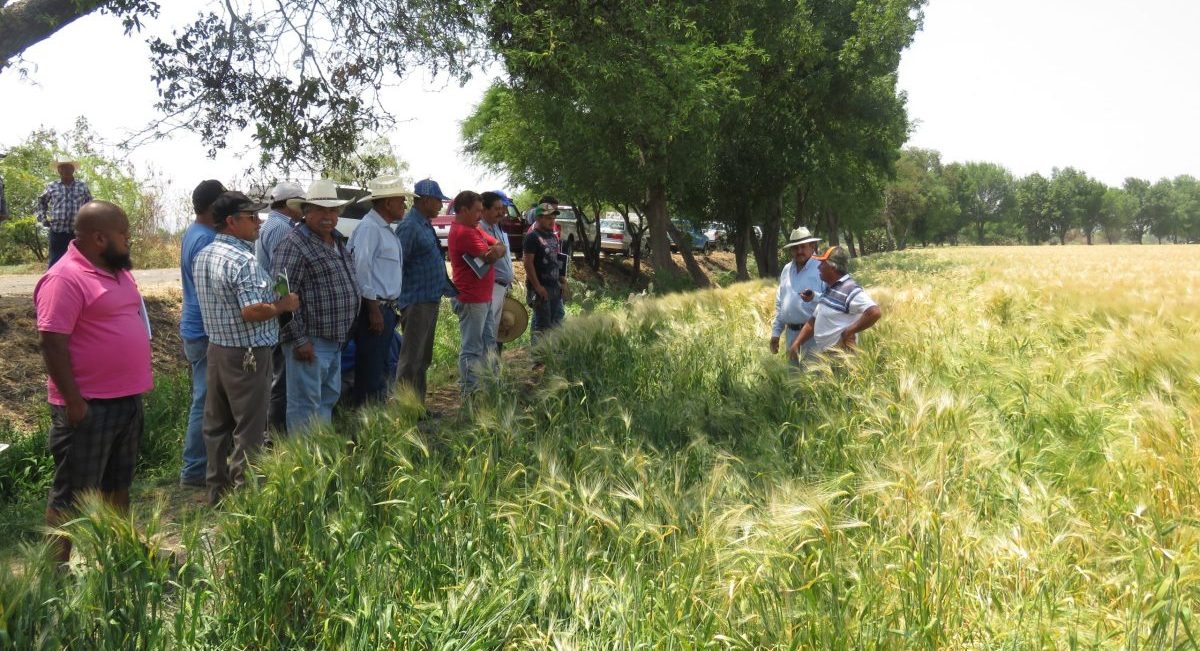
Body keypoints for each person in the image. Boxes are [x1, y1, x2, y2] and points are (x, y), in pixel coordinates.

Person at [33, 200, 152, 563]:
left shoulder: (118, 271)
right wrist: (73, 401)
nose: (129, 240)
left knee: (118, 486)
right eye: (124, 234)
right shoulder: (64, 277)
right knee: (72, 493)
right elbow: (52, 342)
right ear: (100, 238)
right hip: (88, 405)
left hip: (126, 400)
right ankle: (53, 573)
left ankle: (121, 555)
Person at [194, 191, 299, 505]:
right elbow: (251, 310)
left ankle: (217, 490)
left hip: (217, 350)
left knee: (217, 425)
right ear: (231, 221)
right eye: (251, 217)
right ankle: (247, 496)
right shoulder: (243, 260)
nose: (259, 222)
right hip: (248, 354)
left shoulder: (205, 255)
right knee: (250, 428)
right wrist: (283, 305)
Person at [273, 179, 360, 433]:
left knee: (326, 399)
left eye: (333, 210)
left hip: (333, 340)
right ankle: (304, 465)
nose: (328, 216)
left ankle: (319, 458)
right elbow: (281, 294)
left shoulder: (336, 241)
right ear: (306, 211)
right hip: (310, 341)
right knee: (304, 405)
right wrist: (299, 340)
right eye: (320, 210)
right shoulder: (293, 244)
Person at [178, 179, 226, 488]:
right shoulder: (206, 239)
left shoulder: (194, 233)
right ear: (213, 208)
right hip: (204, 329)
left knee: (208, 398)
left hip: (194, 326)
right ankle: (194, 469)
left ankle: (200, 465)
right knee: (206, 400)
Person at [346, 175, 409, 406]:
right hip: (376, 309)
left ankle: (374, 416)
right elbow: (362, 271)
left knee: (380, 366)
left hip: (385, 308)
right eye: (401, 200)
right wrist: (373, 310)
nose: (404, 205)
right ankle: (365, 421)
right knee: (370, 371)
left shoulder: (383, 229)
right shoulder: (370, 228)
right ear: (387, 203)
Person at [396, 178, 456, 407]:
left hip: (429, 298)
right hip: (416, 300)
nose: (440, 205)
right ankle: (404, 410)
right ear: (425, 200)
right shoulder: (409, 226)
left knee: (422, 358)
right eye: (437, 200)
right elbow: (399, 264)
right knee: (411, 359)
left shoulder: (423, 223)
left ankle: (417, 407)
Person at [255, 181, 305, 435]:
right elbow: (281, 275)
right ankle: (276, 434)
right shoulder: (280, 229)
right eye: (301, 203)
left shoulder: (276, 225)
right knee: (281, 377)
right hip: (279, 310)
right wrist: (287, 309)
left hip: (277, 307)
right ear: (288, 205)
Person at [448, 190, 507, 394]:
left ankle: (490, 386)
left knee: (489, 343)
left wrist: (496, 250)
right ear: (463, 210)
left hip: (483, 298)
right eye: (477, 211)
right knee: (472, 349)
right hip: (472, 299)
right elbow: (489, 256)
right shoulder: (463, 232)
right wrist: (495, 251)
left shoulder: (473, 229)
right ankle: (470, 392)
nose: (480, 216)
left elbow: (500, 248)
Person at [789, 246, 882, 358]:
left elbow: (874, 312)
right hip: (828, 356)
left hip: (842, 356)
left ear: (832, 267)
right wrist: (797, 343)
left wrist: (849, 332)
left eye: (822, 263)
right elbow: (814, 319)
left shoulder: (850, 289)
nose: (819, 267)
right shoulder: (831, 288)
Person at [770, 227, 827, 365]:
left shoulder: (822, 267)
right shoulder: (786, 269)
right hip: (791, 333)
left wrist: (814, 296)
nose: (799, 251)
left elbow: (832, 300)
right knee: (794, 379)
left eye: (803, 247)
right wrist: (776, 333)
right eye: (795, 248)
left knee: (815, 378)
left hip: (814, 335)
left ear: (812, 246)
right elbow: (781, 304)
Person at [523, 202, 566, 345]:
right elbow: (528, 263)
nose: (552, 221)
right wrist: (537, 286)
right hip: (541, 287)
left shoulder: (553, 237)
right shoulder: (532, 237)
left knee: (556, 321)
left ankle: (551, 354)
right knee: (542, 326)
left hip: (555, 286)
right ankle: (538, 359)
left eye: (553, 218)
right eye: (548, 218)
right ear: (539, 218)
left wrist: (561, 280)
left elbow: (555, 259)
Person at [38, 159, 93, 267]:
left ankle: (77, 283)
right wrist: (42, 219)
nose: (65, 170)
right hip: (57, 230)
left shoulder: (82, 186)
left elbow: (89, 205)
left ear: (73, 170)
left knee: (79, 262)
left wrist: (88, 224)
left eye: (68, 167)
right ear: (59, 171)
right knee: (56, 261)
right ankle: (53, 283)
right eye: (62, 168)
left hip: (77, 231)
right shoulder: (52, 186)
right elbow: (41, 201)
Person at [479, 191, 514, 356]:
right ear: (484, 209)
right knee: (487, 334)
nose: (502, 212)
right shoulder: (480, 230)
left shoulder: (497, 227)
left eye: (504, 208)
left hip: (501, 287)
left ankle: (492, 369)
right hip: (490, 287)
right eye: (497, 208)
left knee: (496, 332)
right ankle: (483, 372)